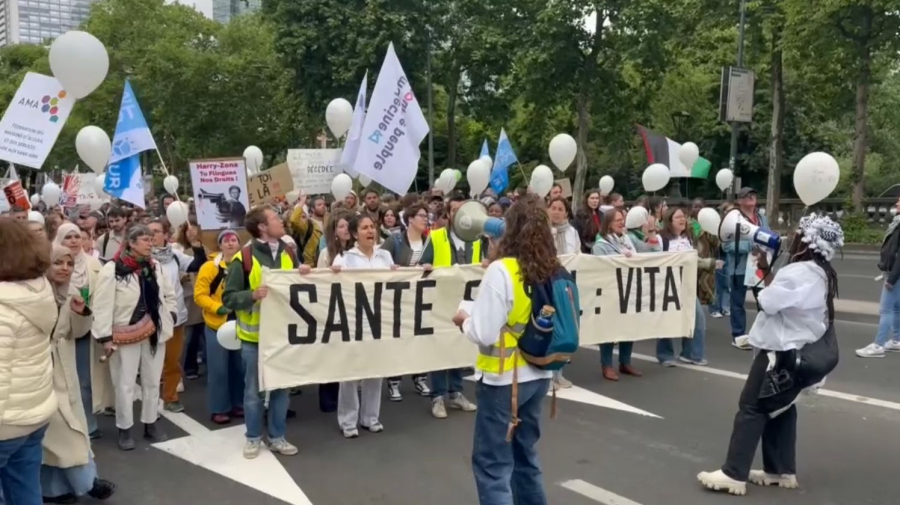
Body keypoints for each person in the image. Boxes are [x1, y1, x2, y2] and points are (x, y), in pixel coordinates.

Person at [698, 215, 843, 496]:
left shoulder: (799, 271)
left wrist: (763, 277)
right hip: (798, 353)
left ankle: (733, 473)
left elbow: (769, 302)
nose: (793, 238)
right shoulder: (819, 272)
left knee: (751, 408)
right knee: (782, 409)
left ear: (807, 241)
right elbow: (791, 301)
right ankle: (780, 470)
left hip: (780, 352)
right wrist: (768, 268)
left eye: (798, 234)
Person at [452, 194, 555, 505]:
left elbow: (483, 331)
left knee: (493, 465)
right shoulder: (551, 265)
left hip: (503, 379)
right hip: (539, 371)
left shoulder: (503, 270)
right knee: (526, 459)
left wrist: (464, 319)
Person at [222, 206, 299, 459]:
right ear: (263, 227)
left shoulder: (288, 251)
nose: (281, 221)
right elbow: (229, 299)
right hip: (254, 339)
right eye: (276, 219)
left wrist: (305, 273)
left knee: (281, 389)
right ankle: (253, 437)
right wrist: (252, 295)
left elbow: (299, 282)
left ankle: (277, 437)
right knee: (254, 392)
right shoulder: (242, 259)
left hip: (283, 337)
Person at [41, 246, 116, 503]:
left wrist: (80, 311)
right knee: (63, 429)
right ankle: (88, 482)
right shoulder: (35, 294)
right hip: (41, 368)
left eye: (69, 263)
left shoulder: (71, 292)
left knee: (59, 430)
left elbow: (78, 331)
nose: (64, 268)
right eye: (57, 263)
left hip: (65, 366)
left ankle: (55, 490)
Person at [93, 224, 177, 451]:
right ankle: (125, 428)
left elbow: (169, 294)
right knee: (125, 384)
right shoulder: (112, 270)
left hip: (154, 332)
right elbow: (101, 306)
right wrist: (105, 338)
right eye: (145, 240)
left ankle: (150, 424)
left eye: (152, 239)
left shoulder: (155, 266)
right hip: (123, 334)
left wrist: (170, 314)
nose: (151, 243)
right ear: (131, 243)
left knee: (151, 380)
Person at [0, 220, 58, 504]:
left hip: (7, 421)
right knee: (24, 490)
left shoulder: (4, 306)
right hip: (33, 413)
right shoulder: (36, 290)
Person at [330, 215, 396, 438]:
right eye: (365, 228)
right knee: (349, 372)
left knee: (375, 369)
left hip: (379, 321)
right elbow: (330, 285)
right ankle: (348, 421)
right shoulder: (344, 258)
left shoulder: (385, 255)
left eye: (372, 227)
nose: (370, 231)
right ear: (355, 233)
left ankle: (370, 417)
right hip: (353, 321)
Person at [53, 223, 113, 440]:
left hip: (86, 326)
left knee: (84, 379)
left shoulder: (94, 264)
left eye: (77, 236)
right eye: (68, 237)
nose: (74, 241)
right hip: (58, 334)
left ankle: (88, 422)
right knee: (59, 381)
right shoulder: (48, 265)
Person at [427, 195, 481, 419]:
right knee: (441, 348)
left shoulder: (476, 239)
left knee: (460, 344)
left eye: (463, 210)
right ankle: (438, 396)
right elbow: (425, 264)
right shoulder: (436, 237)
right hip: (440, 301)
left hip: (465, 301)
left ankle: (456, 392)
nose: (459, 214)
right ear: (448, 215)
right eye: (455, 210)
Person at [148, 219, 206, 414]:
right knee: (150, 361)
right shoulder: (142, 257)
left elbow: (197, 265)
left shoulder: (174, 255)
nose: (152, 236)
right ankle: (150, 400)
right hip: (149, 318)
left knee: (172, 360)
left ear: (166, 235)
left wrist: (197, 247)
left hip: (175, 316)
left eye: (156, 231)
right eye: (149, 232)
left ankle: (170, 397)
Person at [380, 203, 434, 401]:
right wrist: (390, 267)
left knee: (419, 338)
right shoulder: (394, 240)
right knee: (398, 339)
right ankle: (394, 381)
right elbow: (379, 260)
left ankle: (420, 377)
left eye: (426, 216)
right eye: (421, 215)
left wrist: (430, 268)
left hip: (420, 299)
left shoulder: (429, 242)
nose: (425, 219)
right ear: (410, 219)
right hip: (396, 298)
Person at [194, 229, 244, 424]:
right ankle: (219, 408)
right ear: (220, 245)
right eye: (226, 240)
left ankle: (239, 404)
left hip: (240, 322)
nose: (230, 243)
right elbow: (200, 294)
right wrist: (217, 308)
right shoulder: (209, 266)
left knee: (240, 367)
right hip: (217, 324)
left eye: (234, 240)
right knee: (218, 368)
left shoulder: (245, 264)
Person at [593, 208, 643, 381]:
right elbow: (600, 269)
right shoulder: (601, 245)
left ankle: (625, 362)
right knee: (609, 329)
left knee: (628, 327)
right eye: (617, 220)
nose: (622, 222)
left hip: (629, 290)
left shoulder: (628, 240)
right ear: (608, 224)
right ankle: (606, 365)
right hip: (610, 292)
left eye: (623, 219)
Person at [655, 207, 709, 367]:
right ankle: (665, 355)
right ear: (669, 220)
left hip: (688, 285)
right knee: (667, 320)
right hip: (668, 285)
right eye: (678, 217)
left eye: (684, 217)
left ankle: (691, 354)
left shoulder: (688, 238)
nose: (682, 219)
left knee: (697, 319)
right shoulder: (661, 239)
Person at [725, 188, 769, 349]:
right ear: (739, 201)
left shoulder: (761, 217)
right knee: (737, 302)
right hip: (740, 265)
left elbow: (767, 235)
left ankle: (764, 334)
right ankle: (739, 336)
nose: (751, 197)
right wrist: (750, 245)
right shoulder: (733, 219)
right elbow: (726, 244)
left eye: (753, 194)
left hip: (759, 265)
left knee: (764, 300)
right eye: (746, 196)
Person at [857, 195, 900, 357]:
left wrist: (892, 278)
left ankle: (878, 345)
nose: (896, 203)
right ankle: (896, 340)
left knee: (886, 310)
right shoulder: (897, 222)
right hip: (895, 273)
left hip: (895, 274)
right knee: (896, 309)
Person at [174, 221, 206, 381]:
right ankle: (189, 367)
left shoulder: (206, 248)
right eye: (189, 230)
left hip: (208, 295)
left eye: (195, 229)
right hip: (190, 295)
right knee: (192, 334)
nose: (192, 232)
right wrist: (183, 277)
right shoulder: (179, 250)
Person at [710, 202, 735, 319]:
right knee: (716, 284)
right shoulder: (716, 224)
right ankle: (714, 308)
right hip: (716, 255)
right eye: (728, 211)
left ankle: (725, 307)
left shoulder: (735, 224)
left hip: (728, 255)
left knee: (726, 283)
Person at [290, 194, 326, 267]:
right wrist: (302, 202)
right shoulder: (308, 224)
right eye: (319, 205)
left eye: (324, 204)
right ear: (312, 209)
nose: (323, 206)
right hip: (310, 266)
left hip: (324, 263)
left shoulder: (328, 223)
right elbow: (293, 220)